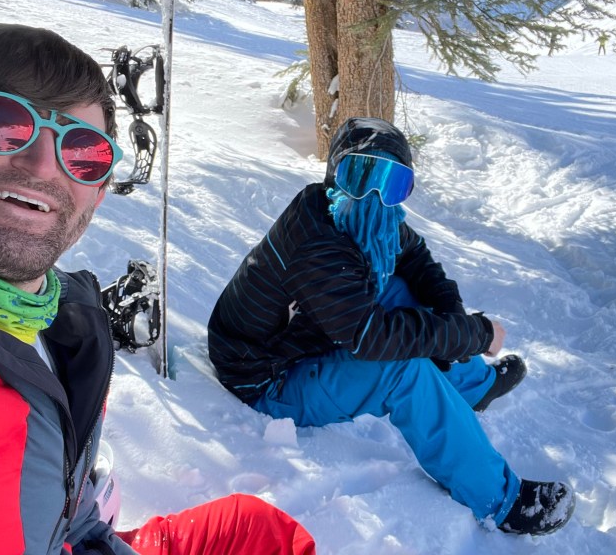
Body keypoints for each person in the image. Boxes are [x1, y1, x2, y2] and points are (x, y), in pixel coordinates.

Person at [0, 24, 315, 555]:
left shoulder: (57, 329)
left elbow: (66, 520)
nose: (42, 165)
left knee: (262, 532)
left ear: (97, 193)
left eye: (83, 152)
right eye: (1, 125)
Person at [208, 117, 576, 536]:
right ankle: (499, 500)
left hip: (301, 337)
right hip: (267, 378)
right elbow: (373, 339)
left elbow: (414, 255)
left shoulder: (349, 212)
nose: (376, 194)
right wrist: (472, 334)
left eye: (393, 183)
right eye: (361, 175)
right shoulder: (316, 244)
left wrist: (452, 317)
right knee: (400, 369)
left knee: (404, 289)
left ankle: (474, 386)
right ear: (335, 175)